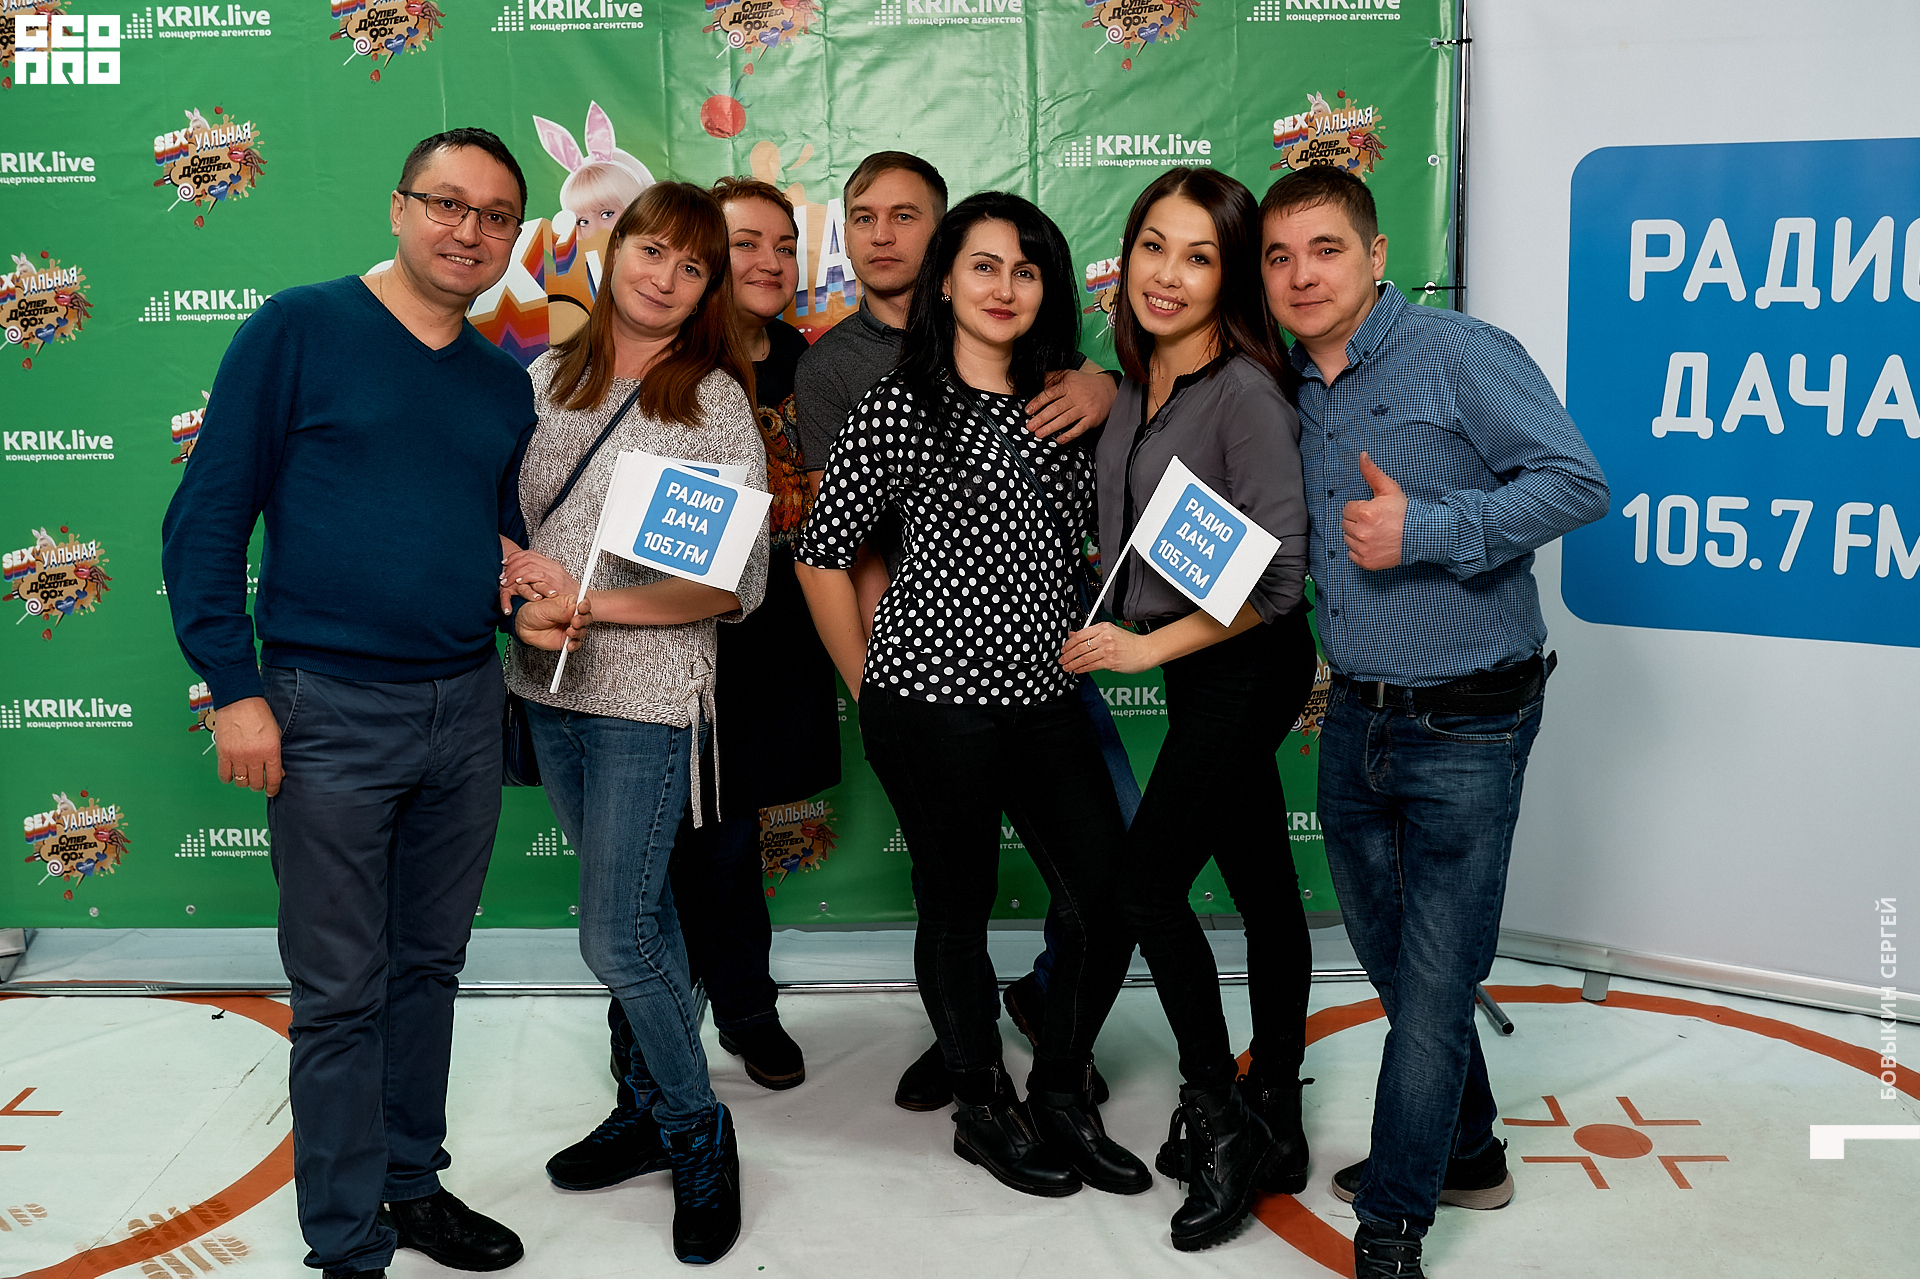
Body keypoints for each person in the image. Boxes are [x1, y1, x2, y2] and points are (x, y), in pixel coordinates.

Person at [160, 128, 538, 1279]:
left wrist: (525, 593)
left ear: (513, 238)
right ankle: (346, 1237)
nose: (468, 230)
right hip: (324, 707)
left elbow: (482, 533)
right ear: (398, 206)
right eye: (446, 202)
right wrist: (235, 689)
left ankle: (411, 1183)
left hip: (465, 707)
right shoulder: (298, 328)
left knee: (428, 967)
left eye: (495, 215)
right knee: (338, 991)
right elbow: (205, 518)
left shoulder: (499, 383)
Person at [1259, 166, 1608, 1278]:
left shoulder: (1458, 351)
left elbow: (1577, 482)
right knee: (1406, 971)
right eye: (1279, 256)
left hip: (1470, 722)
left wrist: (1429, 529)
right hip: (1356, 715)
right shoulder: (1289, 383)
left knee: (1434, 983)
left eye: (1325, 248)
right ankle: (1468, 1150)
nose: (1302, 275)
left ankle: (1393, 1225)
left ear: (1375, 254)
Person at [795, 192, 1148, 1200]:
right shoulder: (899, 405)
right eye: (984, 265)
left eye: (1026, 270)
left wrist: (1112, 393)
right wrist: (869, 685)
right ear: (946, 279)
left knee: (1109, 897)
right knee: (956, 909)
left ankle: (1061, 1089)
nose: (1004, 287)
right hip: (930, 700)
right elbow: (822, 553)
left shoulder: (1068, 405)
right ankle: (981, 1103)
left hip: (1045, 695)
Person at [502, 181, 768, 1267]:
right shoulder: (541, 380)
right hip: (546, 686)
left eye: (693, 266)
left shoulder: (710, 400)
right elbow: (505, 521)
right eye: (653, 250)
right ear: (616, 250)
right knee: (644, 915)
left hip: (648, 692)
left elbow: (732, 583)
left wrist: (596, 605)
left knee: (612, 933)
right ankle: (645, 1105)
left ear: (708, 291)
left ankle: (699, 1129)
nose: (666, 277)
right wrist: (518, 578)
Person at [1060, 167, 1316, 1252]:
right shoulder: (1134, 384)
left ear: (1232, 275)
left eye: (1200, 256)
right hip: (1197, 668)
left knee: (1144, 886)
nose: (1168, 274)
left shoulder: (1245, 391)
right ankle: (1280, 1115)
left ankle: (1222, 1120)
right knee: (1261, 882)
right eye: (1153, 247)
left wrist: (1144, 647)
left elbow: (1280, 580)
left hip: (1248, 663)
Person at [584, 177, 842, 1108]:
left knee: (733, 839)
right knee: (681, 851)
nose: (769, 261)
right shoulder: (661, 363)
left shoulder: (811, 361)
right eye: (743, 244)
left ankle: (739, 1006)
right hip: (664, 638)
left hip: (775, 635)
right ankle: (663, 1044)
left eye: (785, 244)